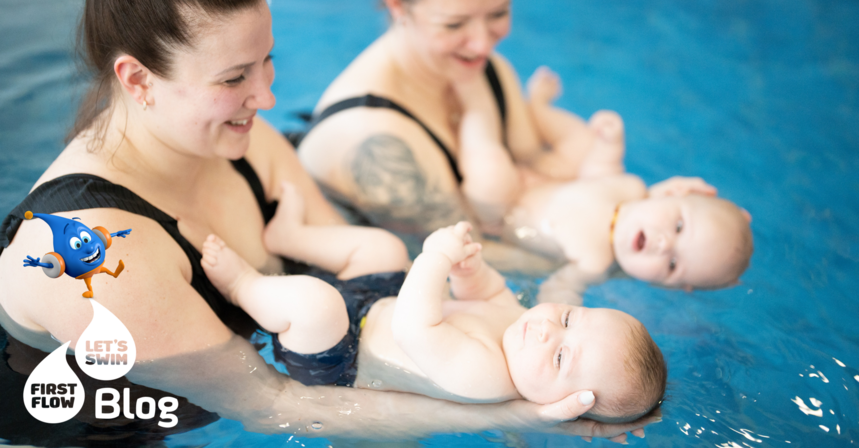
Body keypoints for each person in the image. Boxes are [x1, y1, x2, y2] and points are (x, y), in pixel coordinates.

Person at [0, 0, 658, 442]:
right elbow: (274, 407)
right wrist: (513, 411)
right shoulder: (96, 261)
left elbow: (362, 275)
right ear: (138, 81)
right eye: (234, 77)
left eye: (267, 60)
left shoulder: (243, 138)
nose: (268, 96)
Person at [201, 220, 667, 424]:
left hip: (340, 356)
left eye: (561, 356)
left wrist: (438, 257)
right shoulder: (523, 329)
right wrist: (471, 270)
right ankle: (293, 236)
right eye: (568, 317)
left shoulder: (486, 378)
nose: (547, 329)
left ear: (563, 403)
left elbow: (414, 328)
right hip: (378, 304)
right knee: (383, 249)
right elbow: (486, 294)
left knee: (314, 304)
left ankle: (241, 285)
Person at [297, 0, 619, 239]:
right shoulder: (375, 141)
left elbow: (541, 168)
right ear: (397, 6)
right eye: (454, 25)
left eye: (498, 13)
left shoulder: (487, 69)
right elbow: (471, 254)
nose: (482, 44)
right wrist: (609, 250)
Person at [451, 65, 754, 292]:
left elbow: (559, 291)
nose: (663, 244)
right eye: (678, 226)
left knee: (490, 172)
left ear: (669, 286)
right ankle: (539, 109)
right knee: (584, 143)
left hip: (501, 210)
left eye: (673, 265)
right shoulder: (630, 189)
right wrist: (610, 142)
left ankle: (474, 102)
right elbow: (599, 171)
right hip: (545, 176)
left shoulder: (594, 262)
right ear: (672, 193)